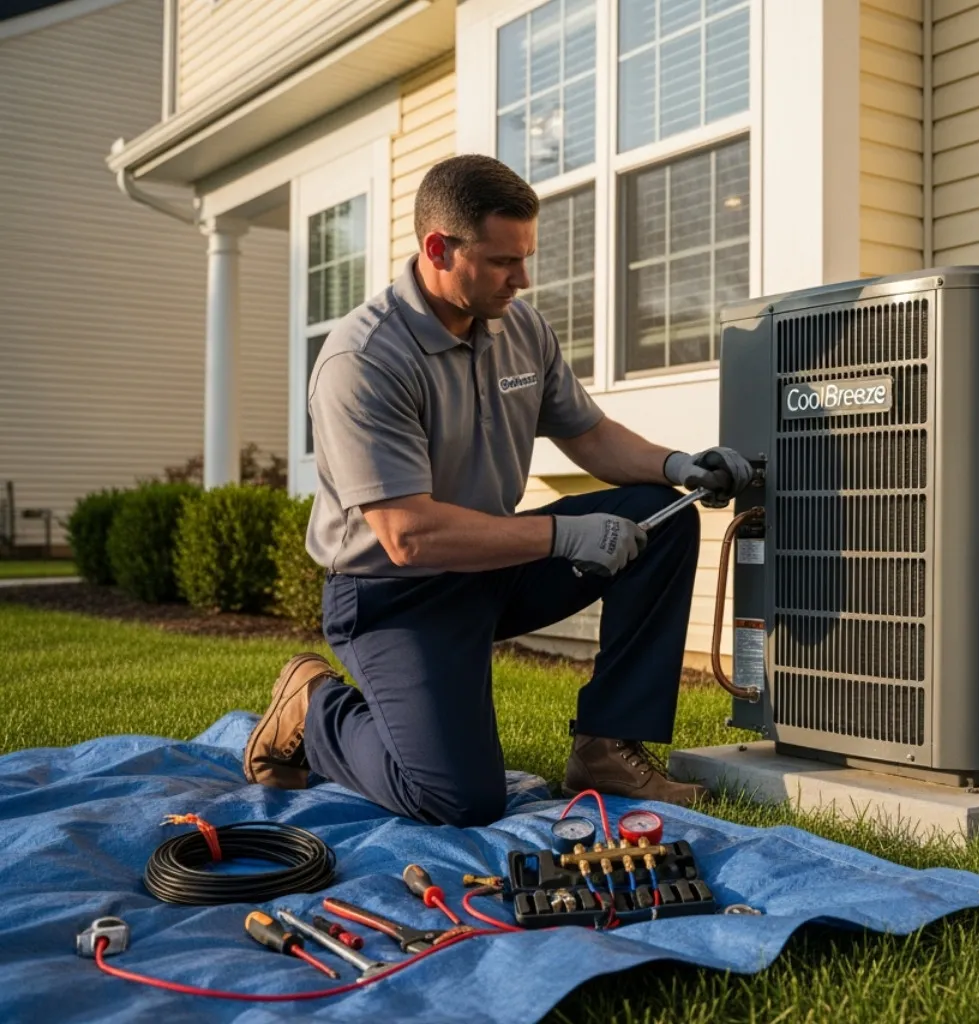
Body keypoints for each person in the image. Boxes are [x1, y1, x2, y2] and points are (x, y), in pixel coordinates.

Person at [241, 154, 754, 827]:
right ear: (438, 249)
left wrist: (678, 466)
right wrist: (565, 535)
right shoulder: (363, 361)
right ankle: (315, 709)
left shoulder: (520, 329)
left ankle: (605, 746)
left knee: (662, 518)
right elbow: (408, 534)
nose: (523, 278)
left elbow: (590, 435)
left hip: (492, 563)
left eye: (525, 257)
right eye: (502, 261)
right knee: (457, 799)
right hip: (394, 594)